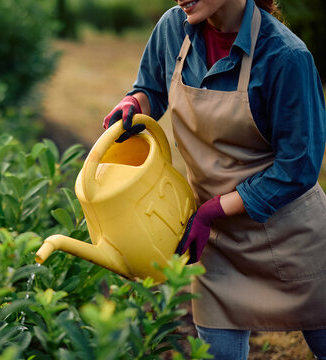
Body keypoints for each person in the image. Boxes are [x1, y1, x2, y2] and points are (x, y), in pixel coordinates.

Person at [103, 0, 326, 358]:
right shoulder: (174, 28)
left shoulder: (286, 57)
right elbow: (152, 90)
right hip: (214, 241)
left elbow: (298, 167)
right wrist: (134, 103)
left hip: (291, 237)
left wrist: (213, 210)